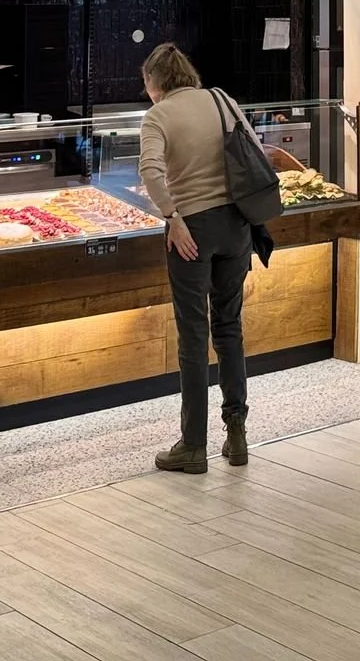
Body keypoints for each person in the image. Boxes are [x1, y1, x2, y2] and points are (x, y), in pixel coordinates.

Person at [137, 42, 252, 474]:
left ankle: (193, 445)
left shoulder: (158, 116)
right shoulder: (222, 100)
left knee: (193, 336)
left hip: (193, 232)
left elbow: (150, 171)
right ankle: (236, 435)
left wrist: (173, 218)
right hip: (236, 226)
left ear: (155, 81)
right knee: (229, 328)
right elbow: (253, 150)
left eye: (146, 83)